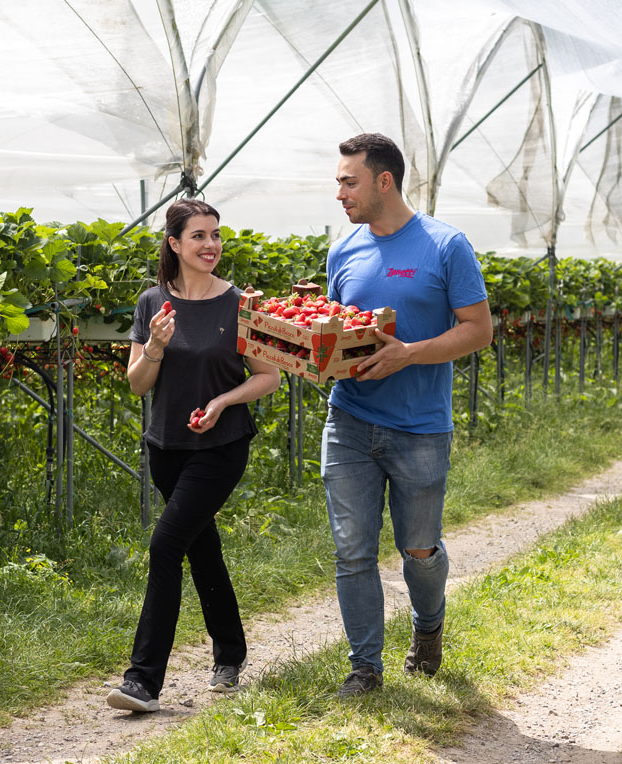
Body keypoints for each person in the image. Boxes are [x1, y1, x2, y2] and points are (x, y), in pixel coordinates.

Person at [322, 133, 493, 697]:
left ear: (383, 180)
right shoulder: (343, 250)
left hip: (419, 426)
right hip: (347, 420)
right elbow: (340, 334)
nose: (340, 190)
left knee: (418, 550)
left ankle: (428, 625)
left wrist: (408, 355)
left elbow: (478, 330)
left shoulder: (446, 246)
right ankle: (364, 668)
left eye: (349, 180)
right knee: (352, 549)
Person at [106, 198, 281, 713]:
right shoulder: (152, 303)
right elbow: (138, 386)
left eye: (216, 235)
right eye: (199, 236)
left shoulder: (240, 305)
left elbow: (268, 376)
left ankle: (142, 681)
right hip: (167, 447)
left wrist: (224, 401)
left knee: (166, 545)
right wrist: (155, 347)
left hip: (221, 447)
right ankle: (231, 652)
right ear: (175, 244)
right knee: (199, 546)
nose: (211, 246)